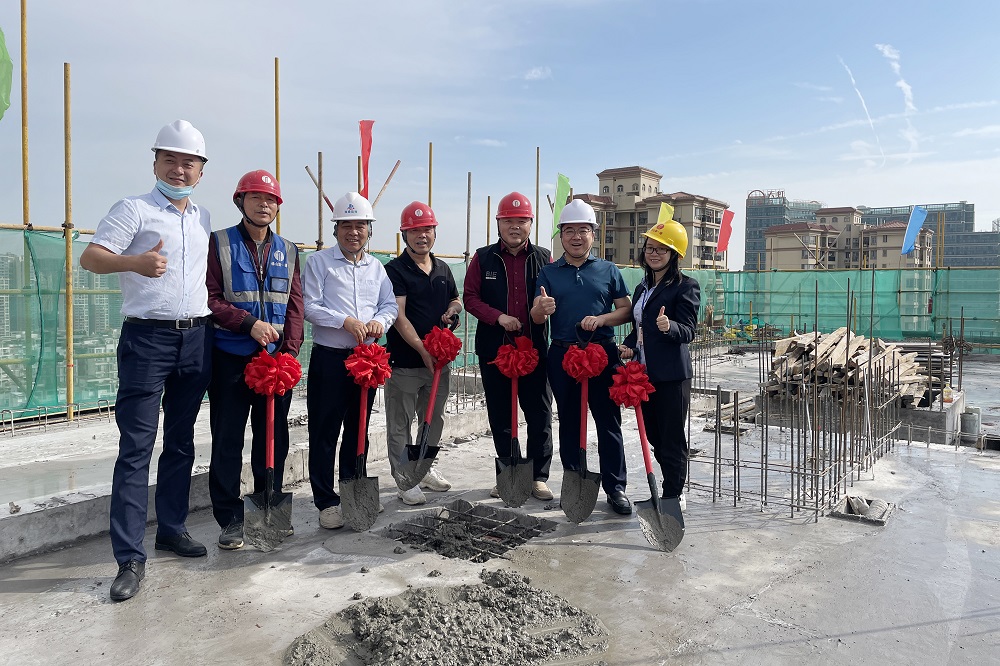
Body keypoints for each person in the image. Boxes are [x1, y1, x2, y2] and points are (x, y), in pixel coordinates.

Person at [79, 120, 212, 602]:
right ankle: (130, 558)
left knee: (181, 441)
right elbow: (90, 258)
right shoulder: (133, 209)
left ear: (201, 171)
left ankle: (171, 529)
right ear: (155, 162)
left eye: (189, 163)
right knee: (136, 447)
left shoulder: (202, 217)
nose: (179, 169)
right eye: (170, 160)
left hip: (196, 338)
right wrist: (134, 262)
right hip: (147, 339)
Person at [206, 170, 304, 550]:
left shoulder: (289, 250)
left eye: (271, 199)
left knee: (273, 438)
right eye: (256, 197)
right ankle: (230, 518)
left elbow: (295, 305)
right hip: (231, 359)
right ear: (240, 201)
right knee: (227, 439)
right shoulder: (220, 243)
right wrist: (248, 324)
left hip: (275, 363)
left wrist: (289, 353)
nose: (264, 205)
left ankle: (269, 505)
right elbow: (210, 297)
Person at [531, 199, 633, 515]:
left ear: (593, 234)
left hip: (603, 353)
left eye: (583, 230)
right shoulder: (548, 272)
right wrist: (541, 309)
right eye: (570, 230)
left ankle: (616, 487)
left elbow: (626, 310)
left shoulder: (608, 270)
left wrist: (601, 319)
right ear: (561, 235)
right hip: (563, 355)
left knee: (608, 421)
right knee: (570, 422)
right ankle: (575, 480)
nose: (576, 237)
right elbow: (536, 316)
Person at [302, 192, 397, 529]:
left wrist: (379, 322)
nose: (353, 232)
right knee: (324, 430)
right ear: (336, 229)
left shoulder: (376, 268)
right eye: (346, 225)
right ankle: (326, 501)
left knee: (359, 429)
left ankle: (355, 490)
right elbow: (309, 306)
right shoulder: (319, 263)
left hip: (366, 359)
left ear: (369, 230)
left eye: (360, 226)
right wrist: (344, 321)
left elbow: (389, 305)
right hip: (330, 358)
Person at [464, 191, 554, 501]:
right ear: (498, 223)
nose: (515, 226)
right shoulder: (483, 258)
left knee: (539, 414)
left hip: (534, 349)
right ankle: (509, 472)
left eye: (521, 221)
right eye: (508, 221)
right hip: (495, 349)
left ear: (531, 223)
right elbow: (470, 298)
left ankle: (538, 477)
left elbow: (553, 296)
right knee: (501, 416)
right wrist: (498, 317)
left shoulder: (544, 258)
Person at [384, 201, 462, 505]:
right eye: (414, 230)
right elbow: (399, 316)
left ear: (434, 232)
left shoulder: (442, 268)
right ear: (404, 234)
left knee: (433, 419)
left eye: (427, 229)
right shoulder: (396, 270)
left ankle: (424, 468)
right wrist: (422, 349)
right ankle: (404, 479)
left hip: (438, 364)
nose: (422, 235)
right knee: (400, 422)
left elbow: (455, 299)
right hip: (406, 361)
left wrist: (452, 311)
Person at [620, 219, 700, 511]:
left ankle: (673, 495)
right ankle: (671, 486)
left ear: (674, 254)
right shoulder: (642, 288)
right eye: (650, 248)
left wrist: (670, 326)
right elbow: (639, 327)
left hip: (671, 376)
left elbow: (688, 330)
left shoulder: (685, 286)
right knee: (654, 435)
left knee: (671, 439)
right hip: (644, 374)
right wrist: (629, 345)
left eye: (662, 250)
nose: (654, 254)